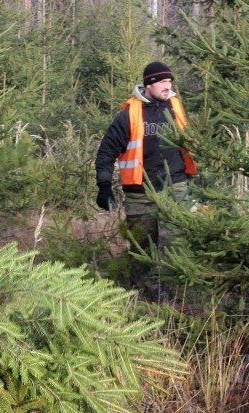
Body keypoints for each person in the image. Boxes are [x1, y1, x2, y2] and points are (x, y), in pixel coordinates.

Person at [94, 60, 197, 296]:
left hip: (175, 188)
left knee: (175, 243)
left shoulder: (176, 107)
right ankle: (144, 297)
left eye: (169, 81)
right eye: (162, 81)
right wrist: (104, 186)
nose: (167, 86)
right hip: (140, 193)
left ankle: (175, 297)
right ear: (149, 84)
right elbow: (107, 151)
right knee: (142, 247)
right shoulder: (129, 115)